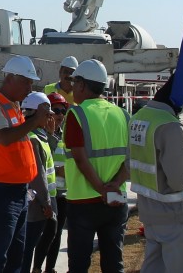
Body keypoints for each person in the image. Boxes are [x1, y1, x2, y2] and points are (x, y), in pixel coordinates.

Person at [0, 55, 49, 273]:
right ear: (11, 78)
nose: (30, 87)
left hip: (16, 190)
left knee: (16, 253)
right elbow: (5, 138)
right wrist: (34, 121)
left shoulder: (12, 105)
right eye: (27, 81)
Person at [62, 59, 130, 273]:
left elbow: (80, 159)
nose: (72, 88)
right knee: (113, 262)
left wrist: (101, 189)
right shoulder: (123, 114)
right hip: (116, 199)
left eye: (74, 83)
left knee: (79, 264)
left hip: (83, 202)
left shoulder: (77, 114)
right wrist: (114, 185)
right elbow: (131, 157)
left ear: (82, 85)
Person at [131, 75, 183, 273]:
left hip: (149, 213)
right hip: (174, 215)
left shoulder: (139, 118)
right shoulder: (169, 125)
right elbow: (181, 180)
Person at [31, 93, 72, 273]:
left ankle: (50, 268)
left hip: (62, 192)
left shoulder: (65, 133)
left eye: (63, 111)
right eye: (56, 110)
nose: (60, 115)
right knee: (45, 233)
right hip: (44, 194)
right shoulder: (42, 136)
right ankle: (37, 267)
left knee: (55, 234)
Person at [18, 93, 57, 273]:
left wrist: (51, 134)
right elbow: (38, 176)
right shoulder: (33, 139)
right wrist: (46, 203)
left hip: (42, 201)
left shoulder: (39, 135)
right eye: (47, 111)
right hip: (37, 203)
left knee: (48, 233)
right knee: (27, 248)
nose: (51, 115)